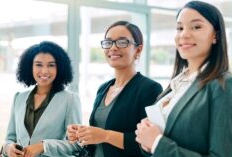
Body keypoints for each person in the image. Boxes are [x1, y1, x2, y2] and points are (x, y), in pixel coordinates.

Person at [135, 1, 232, 157]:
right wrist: (147, 143)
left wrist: (157, 143)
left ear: (216, 35)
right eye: (180, 28)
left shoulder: (225, 85)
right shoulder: (177, 85)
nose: (184, 34)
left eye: (196, 27)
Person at [67, 21, 163, 157]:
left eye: (122, 42)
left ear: (138, 49)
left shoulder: (150, 89)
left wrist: (105, 135)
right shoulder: (103, 89)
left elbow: (149, 145)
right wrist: (82, 133)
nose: (113, 48)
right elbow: (97, 139)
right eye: (108, 42)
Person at [2, 41, 82, 157]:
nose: (44, 71)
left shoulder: (70, 100)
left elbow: (76, 145)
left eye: (51, 65)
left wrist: (43, 146)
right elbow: (10, 138)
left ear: (59, 68)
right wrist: (8, 148)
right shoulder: (19, 98)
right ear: (30, 67)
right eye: (38, 65)